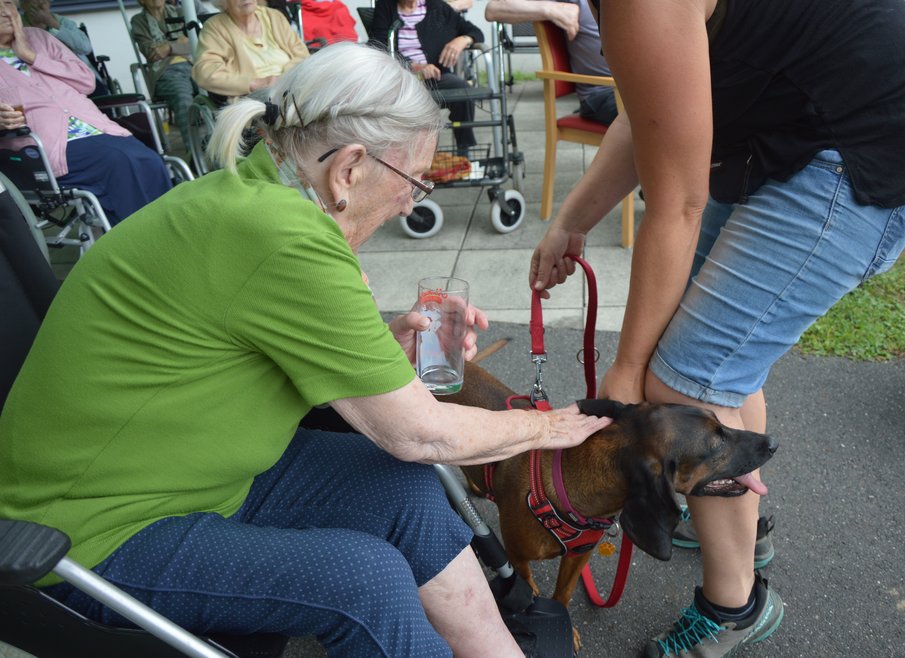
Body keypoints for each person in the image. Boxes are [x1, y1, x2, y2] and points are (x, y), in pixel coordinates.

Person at [0, 41, 612, 657]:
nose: (411, 201)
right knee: (362, 578)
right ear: (349, 167)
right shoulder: (284, 238)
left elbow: (262, 342)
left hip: (195, 473)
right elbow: (421, 434)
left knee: (404, 489)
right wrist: (546, 427)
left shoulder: (256, 196)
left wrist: (386, 346)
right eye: (412, 182)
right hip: (92, 526)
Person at [528, 0, 905, 656]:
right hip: (789, 129)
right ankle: (732, 524)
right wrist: (571, 220)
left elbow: (679, 203)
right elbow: (648, 109)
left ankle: (734, 607)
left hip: (852, 147)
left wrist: (630, 371)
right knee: (715, 365)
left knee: (685, 380)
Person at [0, 0, 172, 226]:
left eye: (8, 3)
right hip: (45, 147)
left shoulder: (39, 38)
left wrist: (31, 55)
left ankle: (165, 234)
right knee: (121, 163)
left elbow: (86, 81)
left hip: (97, 129)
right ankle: (143, 240)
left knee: (151, 161)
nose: (5, 11)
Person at [371, 0, 484, 153]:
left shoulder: (437, 7)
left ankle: (464, 152)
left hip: (437, 76)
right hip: (402, 78)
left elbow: (475, 31)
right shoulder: (385, 7)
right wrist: (413, 66)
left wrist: (461, 40)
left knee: (463, 91)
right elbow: (378, 46)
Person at [486, 0, 618, 125]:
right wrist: (551, 9)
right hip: (603, 94)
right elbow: (493, 9)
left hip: (622, 89)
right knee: (635, 112)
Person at [191, 0, 308, 98]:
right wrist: (254, 84)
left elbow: (302, 55)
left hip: (293, 84)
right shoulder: (215, 28)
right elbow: (205, 73)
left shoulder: (274, 17)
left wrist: (285, 78)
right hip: (254, 99)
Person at [131, 0, 198, 154]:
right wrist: (179, 43)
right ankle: (196, 154)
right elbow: (152, 53)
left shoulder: (181, 12)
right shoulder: (139, 21)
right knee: (183, 99)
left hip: (194, 64)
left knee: (218, 89)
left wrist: (167, 47)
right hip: (165, 71)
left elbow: (196, 42)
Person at [19, 0, 110, 95]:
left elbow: (86, 48)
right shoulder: (17, 27)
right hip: (43, 79)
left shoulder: (63, 22)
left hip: (76, 74)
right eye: (35, 1)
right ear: (23, 5)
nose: (41, 3)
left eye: (45, 1)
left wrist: (52, 23)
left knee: (99, 92)